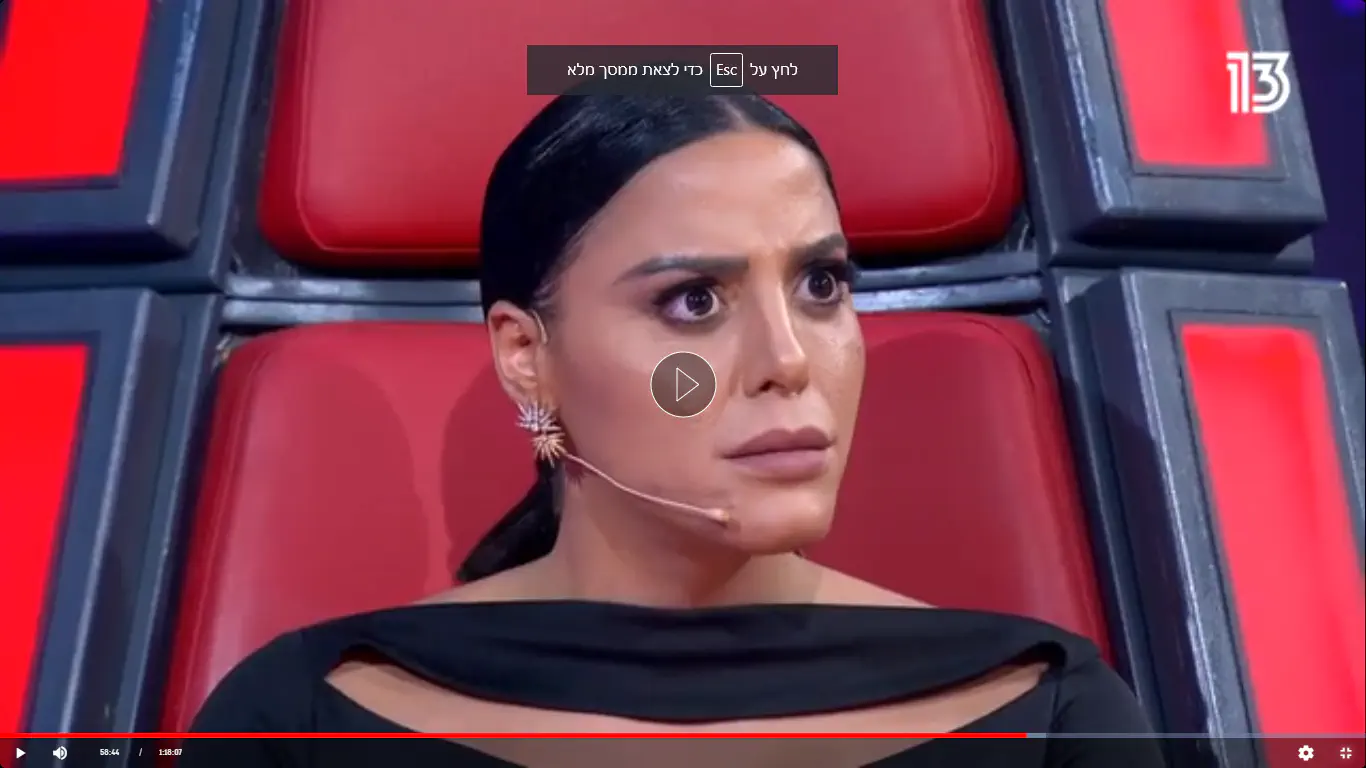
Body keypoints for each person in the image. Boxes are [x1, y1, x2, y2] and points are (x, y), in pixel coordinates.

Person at [181, 94, 1164, 767]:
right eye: (693, 300)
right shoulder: (303, 717)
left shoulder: (1050, 714)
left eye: (821, 286)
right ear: (526, 355)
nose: (788, 359)